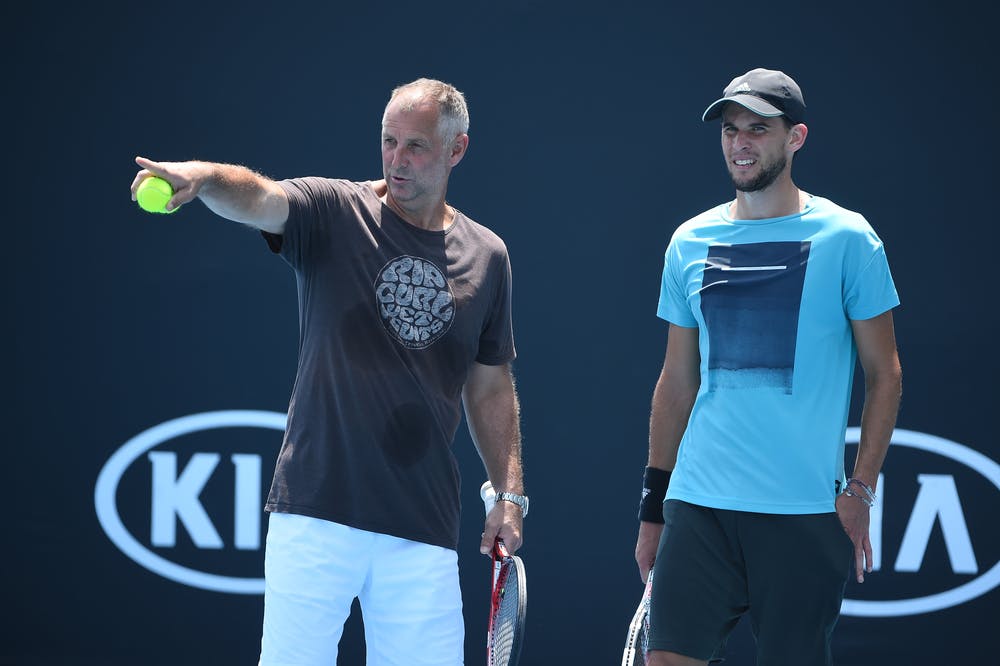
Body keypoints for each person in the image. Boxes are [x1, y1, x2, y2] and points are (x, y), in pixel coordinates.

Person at [130, 78, 528, 666]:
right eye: (389, 141)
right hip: (315, 514)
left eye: (416, 146)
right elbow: (261, 198)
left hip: (422, 528)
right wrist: (204, 176)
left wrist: (510, 495)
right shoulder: (332, 210)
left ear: (456, 150)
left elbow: (491, 384)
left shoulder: (488, 255)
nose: (398, 159)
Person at [634, 68, 902, 666]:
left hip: (803, 515)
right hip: (698, 507)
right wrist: (655, 508)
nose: (740, 143)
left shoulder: (849, 238)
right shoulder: (688, 241)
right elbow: (676, 382)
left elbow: (885, 374)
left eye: (758, 128)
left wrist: (860, 489)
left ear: (796, 137)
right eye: (731, 130)